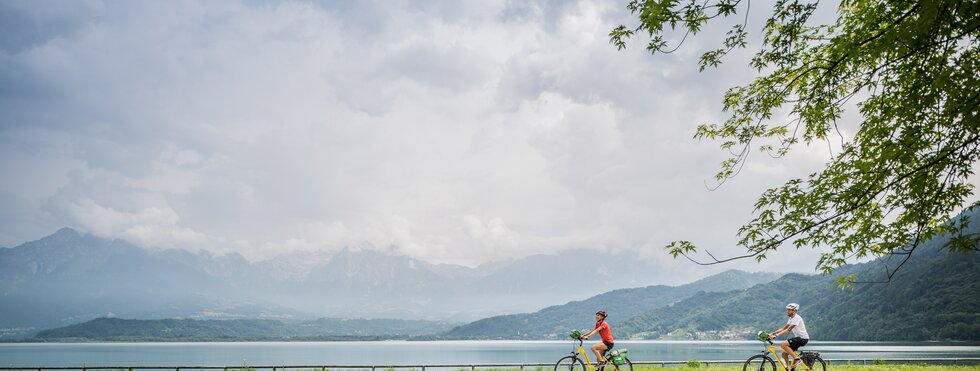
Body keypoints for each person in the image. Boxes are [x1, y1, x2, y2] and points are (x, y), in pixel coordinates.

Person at [768, 303, 809, 370]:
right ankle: (787, 369)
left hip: (802, 339)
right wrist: (772, 333)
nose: (787, 311)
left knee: (782, 344)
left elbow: (788, 330)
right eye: (787, 310)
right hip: (798, 339)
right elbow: (784, 328)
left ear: (794, 311)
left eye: (789, 310)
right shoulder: (791, 319)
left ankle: (797, 359)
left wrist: (776, 335)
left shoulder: (797, 318)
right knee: (784, 354)